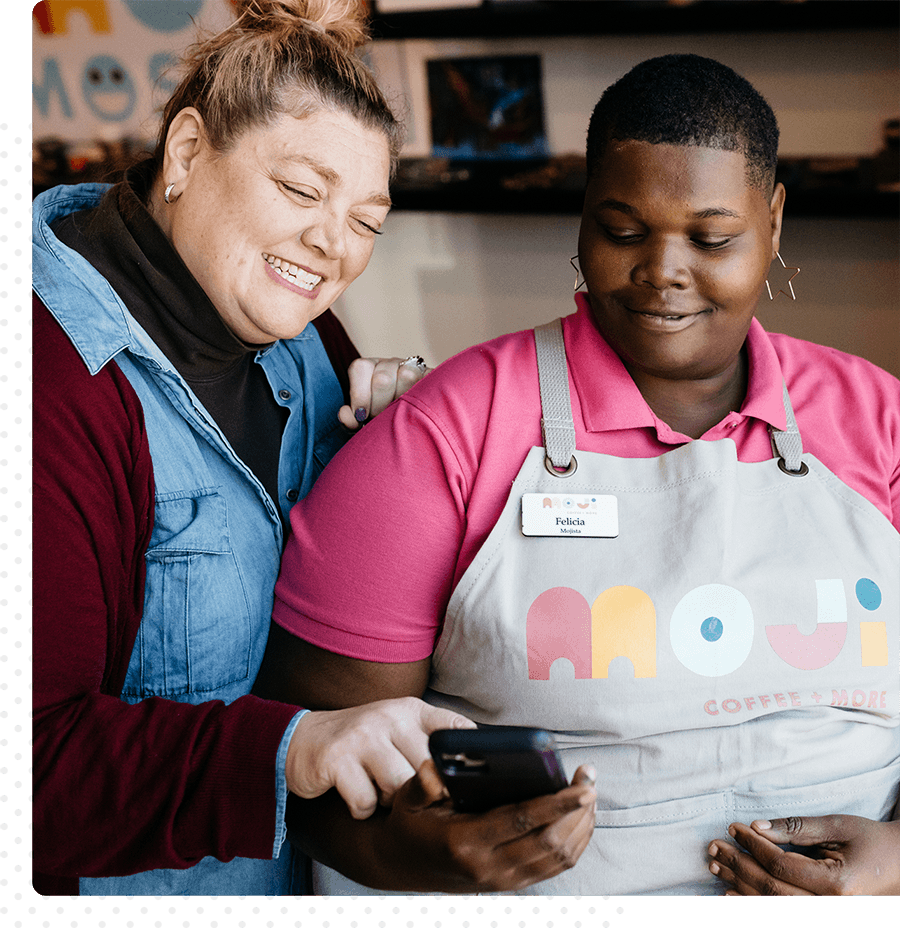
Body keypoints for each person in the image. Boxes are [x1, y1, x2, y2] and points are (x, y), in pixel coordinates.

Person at [256, 54, 900, 895]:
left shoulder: (877, 423)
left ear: (773, 222)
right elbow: (307, 760)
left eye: (711, 238)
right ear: (583, 219)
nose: (662, 271)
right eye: (623, 230)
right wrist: (425, 857)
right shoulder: (446, 436)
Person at [32, 0, 486, 897]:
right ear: (189, 151)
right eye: (302, 190)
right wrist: (294, 747)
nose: (332, 245)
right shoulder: (53, 383)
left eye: (367, 221)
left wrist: (393, 432)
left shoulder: (302, 339)